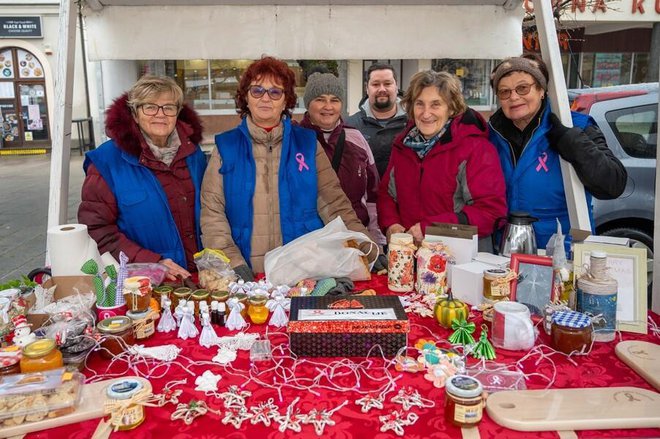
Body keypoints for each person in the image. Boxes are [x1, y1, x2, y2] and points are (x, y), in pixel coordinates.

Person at [200, 56, 378, 281]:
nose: (266, 98)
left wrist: (363, 240)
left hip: (302, 271)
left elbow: (334, 203)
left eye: (275, 92)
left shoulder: (307, 143)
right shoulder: (226, 147)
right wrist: (232, 261)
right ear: (246, 97)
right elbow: (212, 213)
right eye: (257, 91)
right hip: (246, 271)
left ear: (285, 101)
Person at [488, 55, 627, 249]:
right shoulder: (490, 135)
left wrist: (571, 141)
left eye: (523, 88)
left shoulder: (575, 126)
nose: (513, 97)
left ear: (541, 90)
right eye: (504, 92)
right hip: (504, 247)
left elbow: (613, 184)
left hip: (561, 250)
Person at [78, 75, 206, 280]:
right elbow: (97, 229)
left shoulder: (193, 154)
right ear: (135, 114)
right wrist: (153, 263)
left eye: (168, 107)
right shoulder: (106, 162)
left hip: (198, 276)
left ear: (177, 113)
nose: (160, 114)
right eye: (150, 107)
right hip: (145, 283)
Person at [378, 70, 507, 246]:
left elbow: (491, 212)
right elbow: (387, 194)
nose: (425, 113)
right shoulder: (403, 146)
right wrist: (391, 224)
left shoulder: (476, 149)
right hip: (410, 257)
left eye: (435, 104)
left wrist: (430, 228)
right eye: (419, 104)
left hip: (459, 258)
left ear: (452, 108)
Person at [298, 72, 385, 247]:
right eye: (320, 99)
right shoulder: (296, 140)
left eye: (334, 100)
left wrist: (375, 238)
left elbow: (373, 194)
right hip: (310, 241)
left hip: (354, 238)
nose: (328, 106)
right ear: (308, 104)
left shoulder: (356, 138)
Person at [346, 63, 407, 177]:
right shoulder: (350, 126)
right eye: (375, 84)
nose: (382, 89)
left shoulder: (413, 124)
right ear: (367, 88)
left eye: (387, 83)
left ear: (396, 87)